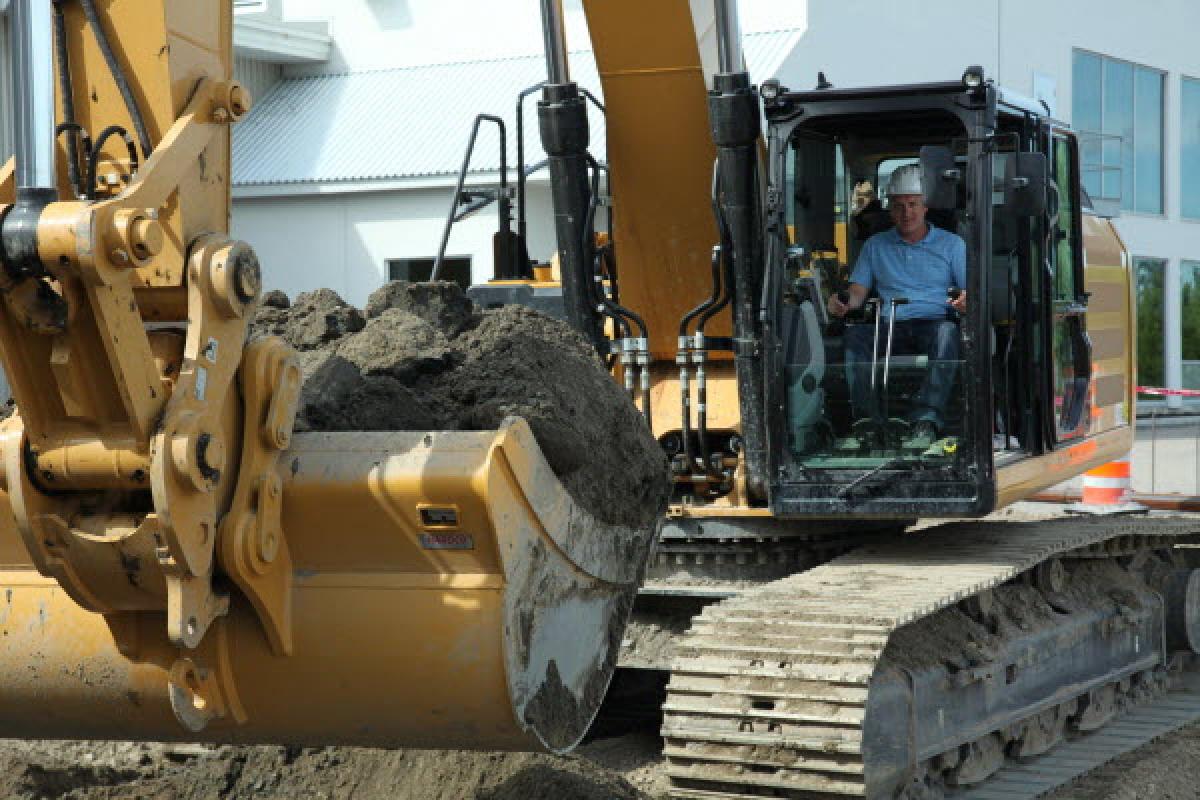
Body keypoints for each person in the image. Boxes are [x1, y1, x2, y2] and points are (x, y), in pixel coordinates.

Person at [826, 163, 967, 443]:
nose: (906, 213)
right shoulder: (875, 246)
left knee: (948, 334)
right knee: (855, 336)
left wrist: (965, 301)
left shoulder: (952, 245)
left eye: (913, 204)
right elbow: (857, 292)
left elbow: (968, 291)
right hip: (890, 323)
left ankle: (926, 419)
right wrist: (842, 302)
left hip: (934, 323)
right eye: (899, 206)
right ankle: (868, 421)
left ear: (926, 206)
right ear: (889, 209)